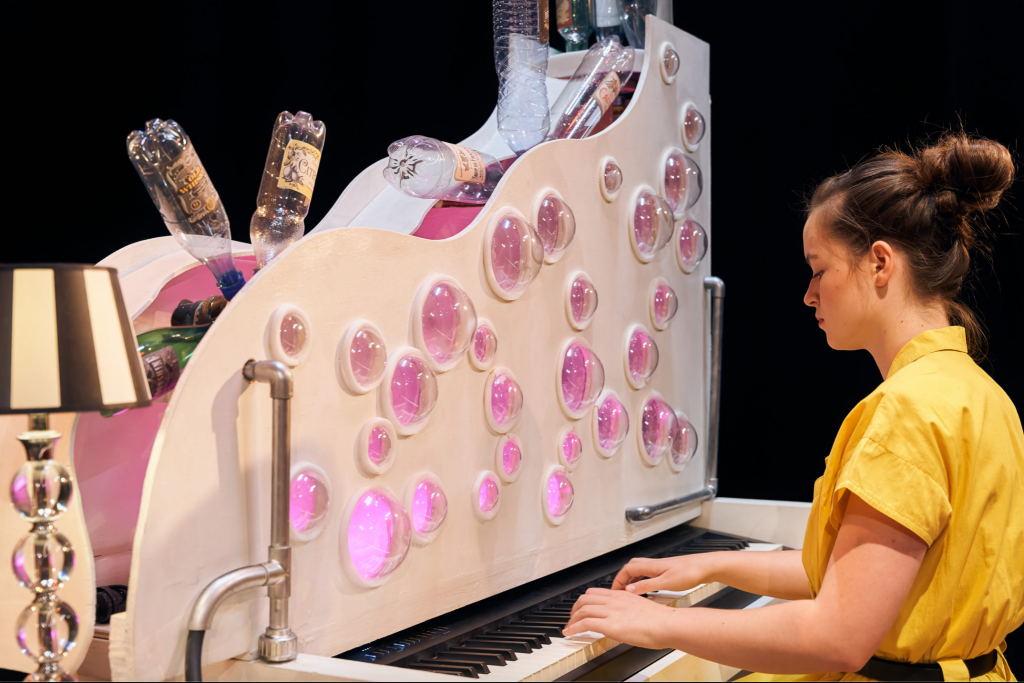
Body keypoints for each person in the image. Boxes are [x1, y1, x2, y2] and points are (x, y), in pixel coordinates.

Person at [564, 131, 1022, 682]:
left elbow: (835, 639)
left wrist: (653, 624)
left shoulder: (906, 412)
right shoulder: (979, 392)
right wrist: (709, 564)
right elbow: (859, 577)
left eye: (819, 269)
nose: (809, 294)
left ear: (880, 263)